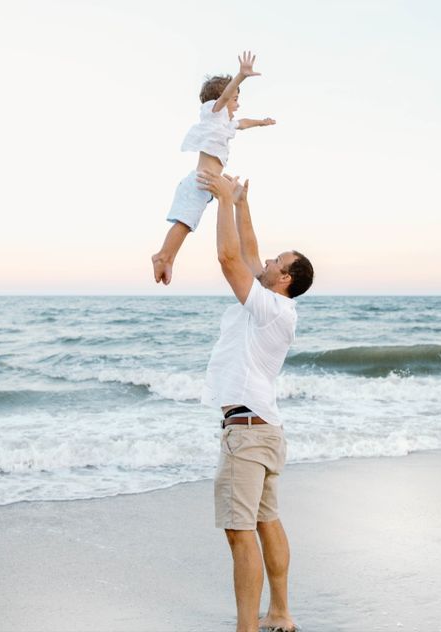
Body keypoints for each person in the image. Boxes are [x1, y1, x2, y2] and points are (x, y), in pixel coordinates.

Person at [197, 169, 314, 632]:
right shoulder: (276, 306)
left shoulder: (268, 306)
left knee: (239, 531)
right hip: (265, 429)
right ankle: (280, 614)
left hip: (246, 434)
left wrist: (223, 200)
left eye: (275, 261)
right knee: (267, 521)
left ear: (284, 278)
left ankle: (247, 628)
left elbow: (230, 258)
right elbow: (246, 252)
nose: (264, 260)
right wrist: (242, 204)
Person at [151, 51, 275, 285]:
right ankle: (163, 256)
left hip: (206, 184)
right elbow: (226, 95)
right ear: (223, 98)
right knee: (184, 222)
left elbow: (244, 123)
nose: (237, 103)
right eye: (236, 98)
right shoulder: (213, 113)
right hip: (201, 181)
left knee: (188, 224)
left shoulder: (225, 124)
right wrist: (240, 76)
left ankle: (167, 258)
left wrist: (262, 122)